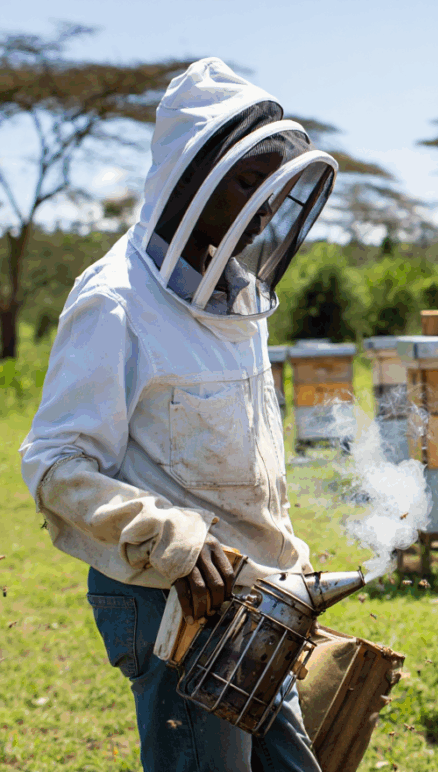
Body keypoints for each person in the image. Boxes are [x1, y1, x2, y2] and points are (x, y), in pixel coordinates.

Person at [20, 58, 338, 771]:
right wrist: (174, 538)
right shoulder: (115, 301)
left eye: (272, 179)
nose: (265, 202)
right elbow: (54, 464)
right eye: (247, 180)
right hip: (171, 601)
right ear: (191, 177)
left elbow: (245, 458)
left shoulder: (238, 300)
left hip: (255, 600)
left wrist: (287, 565)